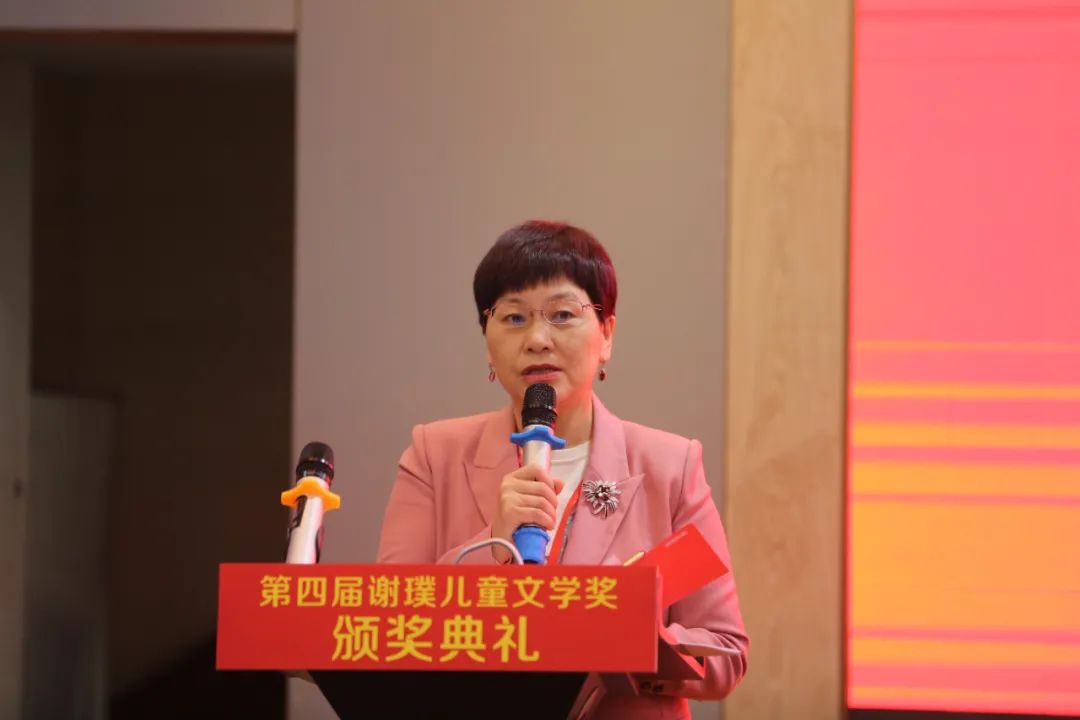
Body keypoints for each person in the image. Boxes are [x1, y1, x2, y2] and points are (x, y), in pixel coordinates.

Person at [377, 220, 748, 718]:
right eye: (513, 318)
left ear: (606, 334)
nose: (537, 338)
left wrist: (632, 638)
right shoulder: (434, 454)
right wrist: (493, 546)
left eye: (563, 315)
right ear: (487, 343)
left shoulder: (669, 466)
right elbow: (388, 623)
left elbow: (725, 652)